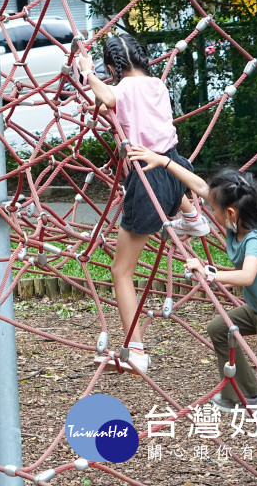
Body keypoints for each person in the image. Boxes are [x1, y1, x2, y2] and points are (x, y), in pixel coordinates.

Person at [126, 153, 257, 484]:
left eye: (213, 210)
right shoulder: (235, 219)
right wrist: (163, 162)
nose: (208, 213)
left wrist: (210, 273)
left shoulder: (253, 237)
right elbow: (198, 185)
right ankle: (246, 397)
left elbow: (248, 276)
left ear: (232, 213)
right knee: (220, 328)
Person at [78, 34, 203, 375]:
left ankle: (135, 352)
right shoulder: (156, 85)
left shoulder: (120, 88)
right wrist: (99, 106)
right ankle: (191, 217)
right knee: (168, 202)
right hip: (175, 167)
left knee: (121, 271)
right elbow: (118, 106)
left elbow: (108, 95)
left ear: (111, 68)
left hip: (146, 178)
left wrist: (87, 73)